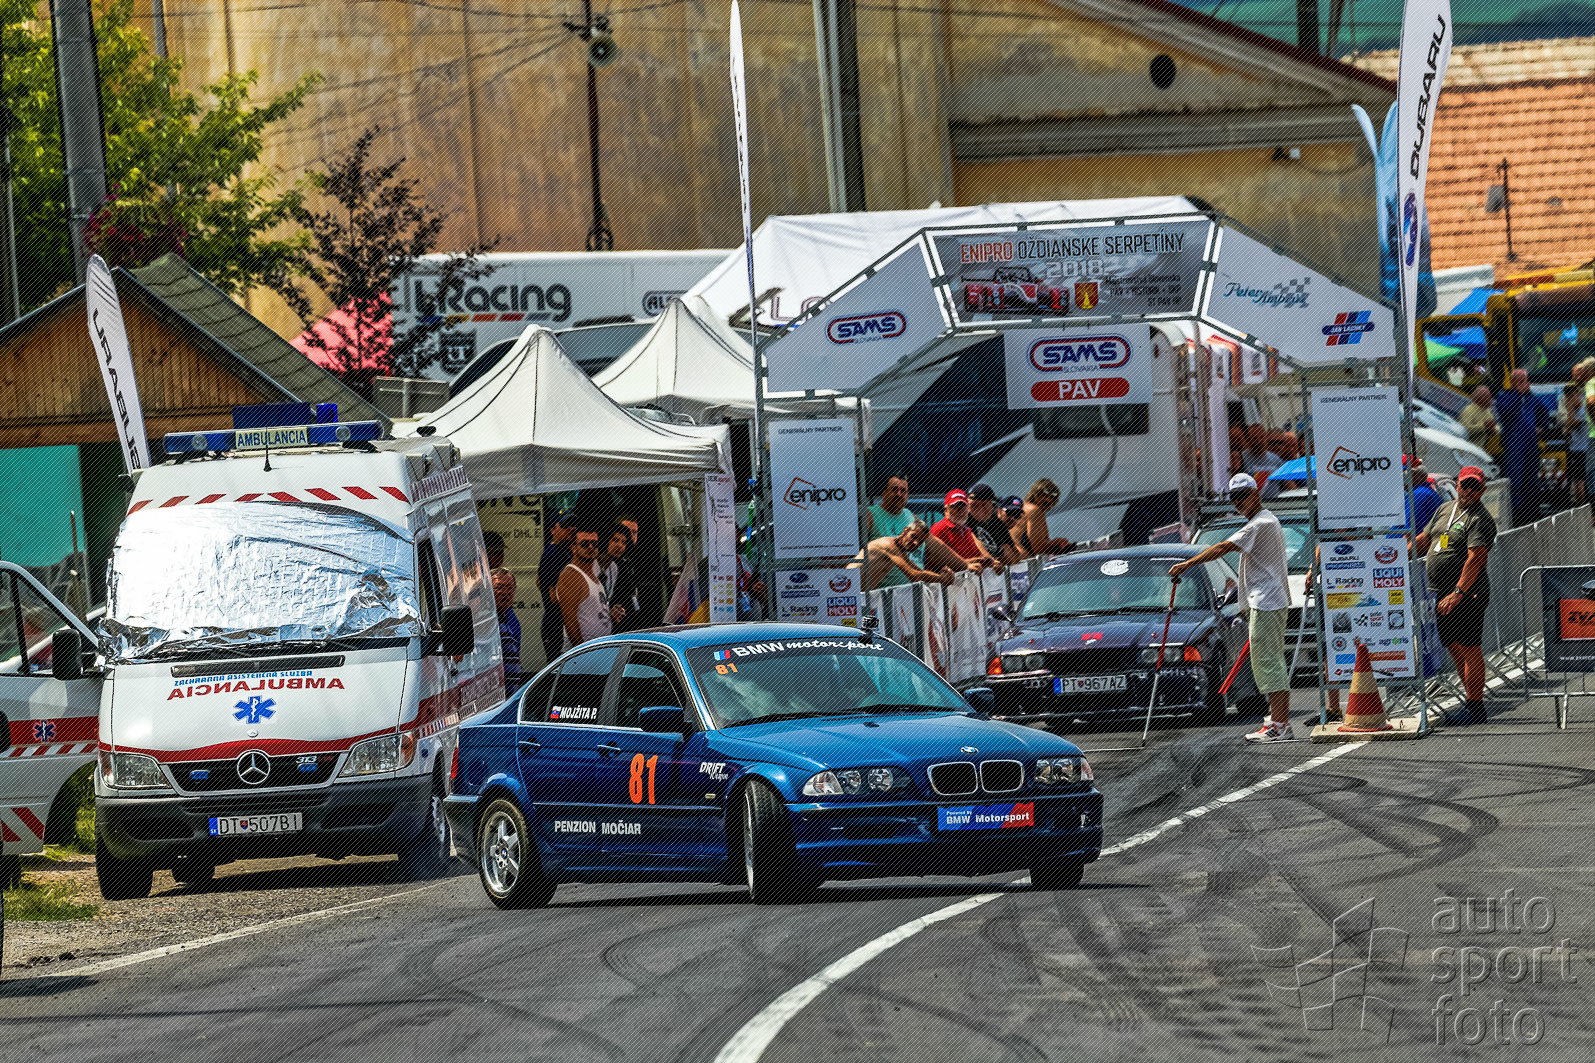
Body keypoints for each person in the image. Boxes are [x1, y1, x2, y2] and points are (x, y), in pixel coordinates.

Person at [1170, 472, 1292, 742]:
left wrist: (1188, 564)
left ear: (1255, 494)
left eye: (1243, 496)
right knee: (1268, 660)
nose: (1238, 502)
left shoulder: (1260, 523)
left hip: (1267, 602)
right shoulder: (1264, 521)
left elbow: (1223, 547)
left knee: (1269, 661)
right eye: (1234, 498)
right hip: (1267, 601)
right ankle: (1279, 721)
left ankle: (1280, 724)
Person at [1415, 466, 1495, 724]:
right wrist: (1389, 555)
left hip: (1468, 593)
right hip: (1442, 593)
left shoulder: (1480, 518)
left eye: (1475, 487)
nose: (1469, 491)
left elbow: (1476, 559)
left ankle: (1475, 707)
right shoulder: (1444, 509)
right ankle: (1470, 702)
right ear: (1457, 485)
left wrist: (1458, 593)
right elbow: (1424, 539)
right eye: (1465, 485)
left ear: (1482, 490)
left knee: (1470, 647)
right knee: (1453, 645)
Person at [852, 521, 976, 591]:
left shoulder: (899, 550)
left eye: (920, 541)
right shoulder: (888, 545)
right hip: (848, 594)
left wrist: (942, 575)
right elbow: (914, 575)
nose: (916, 543)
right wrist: (941, 578)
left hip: (855, 597)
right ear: (905, 531)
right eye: (914, 536)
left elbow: (918, 571)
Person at [1495, 368, 1548, 526]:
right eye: (1523, 381)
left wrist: (1541, 427)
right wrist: (1518, 393)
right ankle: (1515, 514)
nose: (1527, 384)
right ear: (1514, 382)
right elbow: (1506, 412)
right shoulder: (1504, 395)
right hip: (1514, 443)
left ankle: (1531, 512)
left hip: (1531, 443)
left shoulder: (1531, 397)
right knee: (1515, 479)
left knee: (1532, 479)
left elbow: (1544, 411)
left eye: (1526, 380)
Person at [555, 527, 612, 648]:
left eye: (594, 544)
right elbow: (569, 620)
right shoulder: (571, 575)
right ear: (573, 547)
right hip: (584, 651)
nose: (591, 547)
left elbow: (593, 613)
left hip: (599, 649)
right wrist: (583, 653)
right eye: (585, 544)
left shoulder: (593, 575)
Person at [537, 511, 578, 662]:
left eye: (574, 525)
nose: (571, 528)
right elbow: (553, 597)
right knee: (559, 669)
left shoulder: (566, 551)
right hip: (556, 626)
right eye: (565, 525)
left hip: (564, 624)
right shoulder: (552, 554)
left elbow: (538, 582)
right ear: (553, 529)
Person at [931, 489, 1002, 572]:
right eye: (955, 506)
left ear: (968, 508)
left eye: (963, 506)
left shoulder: (967, 530)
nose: (960, 510)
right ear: (946, 510)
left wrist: (991, 563)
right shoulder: (938, 528)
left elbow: (979, 557)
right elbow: (935, 562)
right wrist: (967, 564)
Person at [1015, 478, 1072, 558]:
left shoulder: (1025, 507)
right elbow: (1037, 548)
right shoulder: (1034, 510)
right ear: (1035, 494)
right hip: (1020, 560)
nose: (1048, 500)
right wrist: (1059, 545)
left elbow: (1039, 543)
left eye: (1053, 497)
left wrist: (1055, 542)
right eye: (1044, 495)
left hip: (1015, 558)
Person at [967, 483, 1021, 565]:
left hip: (995, 566)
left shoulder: (996, 522)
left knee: (1006, 549)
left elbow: (1014, 551)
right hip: (976, 564)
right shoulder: (964, 520)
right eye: (974, 505)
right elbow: (976, 541)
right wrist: (992, 562)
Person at [598, 522, 636, 631]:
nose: (619, 545)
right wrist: (609, 611)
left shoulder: (622, 564)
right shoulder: (595, 564)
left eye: (623, 542)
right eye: (615, 540)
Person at [491, 567, 522, 695]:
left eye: (510, 588)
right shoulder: (483, 622)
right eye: (499, 587)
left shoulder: (509, 621)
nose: (505, 592)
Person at [1241, 423, 1284, 498]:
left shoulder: (1276, 460)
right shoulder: (1241, 458)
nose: (1259, 441)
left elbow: (1287, 482)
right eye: (1254, 438)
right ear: (1248, 440)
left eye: (1261, 437)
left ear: (1266, 438)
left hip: (1275, 504)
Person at [1563, 380, 1588, 507]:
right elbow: (1566, 431)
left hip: (1583, 450)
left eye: (1570, 397)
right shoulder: (1576, 410)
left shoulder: (1583, 409)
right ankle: (1580, 507)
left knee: (1580, 481)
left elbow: (1570, 424)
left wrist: (1569, 408)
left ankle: (1583, 507)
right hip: (1575, 449)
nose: (1567, 401)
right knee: (1576, 480)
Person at [1459, 385, 1500, 456]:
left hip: (1479, 452)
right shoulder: (1468, 410)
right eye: (1488, 397)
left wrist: (1494, 430)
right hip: (1466, 450)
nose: (1491, 400)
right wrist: (1484, 427)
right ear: (1479, 398)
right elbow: (1464, 430)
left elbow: (1496, 427)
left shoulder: (1487, 411)